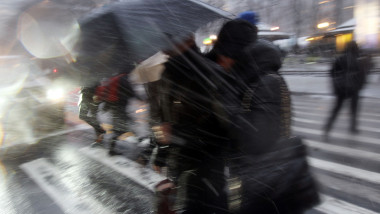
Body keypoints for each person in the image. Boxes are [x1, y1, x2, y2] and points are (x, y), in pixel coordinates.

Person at [209, 19, 320, 213]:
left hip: (268, 187)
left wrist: (226, 101)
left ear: (234, 53)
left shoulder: (268, 82)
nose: (220, 62)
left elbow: (257, 140)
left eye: (222, 55)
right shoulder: (246, 81)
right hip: (255, 183)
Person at [150, 34, 235, 213]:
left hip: (207, 165)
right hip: (180, 160)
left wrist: (177, 133)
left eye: (170, 41)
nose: (164, 49)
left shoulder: (208, 73)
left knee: (208, 206)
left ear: (189, 40)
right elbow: (163, 118)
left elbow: (226, 126)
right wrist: (161, 152)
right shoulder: (167, 74)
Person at [323, 41, 369, 139]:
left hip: (341, 89)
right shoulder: (358, 59)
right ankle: (353, 127)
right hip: (354, 88)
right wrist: (359, 85)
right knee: (354, 108)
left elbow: (331, 72)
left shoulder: (339, 58)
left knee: (336, 109)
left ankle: (327, 127)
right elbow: (362, 75)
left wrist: (337, 82)